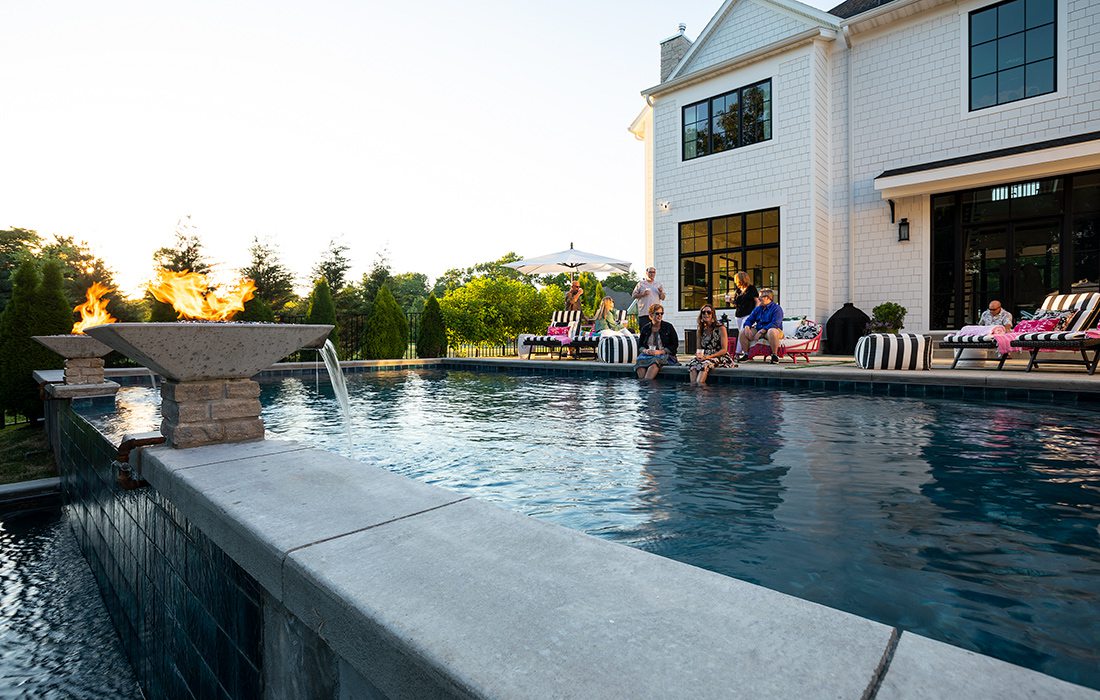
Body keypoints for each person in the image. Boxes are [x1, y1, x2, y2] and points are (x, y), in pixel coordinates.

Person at [687, 304, 733, 384]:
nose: (706, 314)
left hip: (719, 356)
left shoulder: (721, 328)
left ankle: (700, 389)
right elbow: (699, 348)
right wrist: (698, 356)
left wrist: (708, 357)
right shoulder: (700, 329)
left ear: (713, 315)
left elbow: (724, 350)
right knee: (692, 365)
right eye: (703, 312)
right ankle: (694, 388)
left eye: (709, 312)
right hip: (705, 356)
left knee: (705, 365)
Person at [737, 288, 784, 364]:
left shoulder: (777, 308)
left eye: (761, 297)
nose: (758, 299)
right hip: (759, 329)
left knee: (772, 331)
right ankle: (746, 355)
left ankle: (774, 356)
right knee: (743, 332)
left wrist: (762, 331)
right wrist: (747, 327)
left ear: (768, 298)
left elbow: (775, 323)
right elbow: (749, 319)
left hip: (774, 330)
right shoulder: (758, 309)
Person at [635, 303, 679, 380]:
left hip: (664, 355)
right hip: (648, 355)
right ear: (651, 315)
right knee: (640, 364)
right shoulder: (646, 328)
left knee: (654, 364)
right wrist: (645, 350)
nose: (660, 315)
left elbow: (674, 344)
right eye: (657, 313)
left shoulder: (668, 327)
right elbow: (640, 345)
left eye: (661, 313)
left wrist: (660, 352)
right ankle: (644, 388)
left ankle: (647, 386)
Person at [723, 271, 758, 355]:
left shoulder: (751, 288)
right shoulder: (738, 290)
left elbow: (757, 301)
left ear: (742, 279)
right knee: (742, 334)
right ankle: (746, 351)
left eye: (737, 280)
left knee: (742, 331)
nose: (736, 282)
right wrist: (730, 300)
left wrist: (755, 312)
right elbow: (736, 303)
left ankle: (737, 352)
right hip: (738, 314)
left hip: (749, 313)